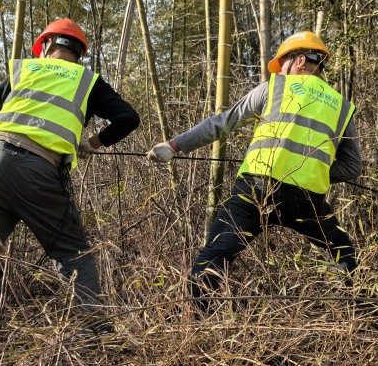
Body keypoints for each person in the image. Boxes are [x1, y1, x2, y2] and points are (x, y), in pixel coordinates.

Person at [0, 18, 140, 343]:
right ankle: (98, 339)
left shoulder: (25, 69)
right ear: (79, 53)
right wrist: (94, 143)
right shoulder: (88, 81)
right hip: (40, 172)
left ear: (46, 45)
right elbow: (128, 118)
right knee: (73, 255)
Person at [146, 31, 361, 310]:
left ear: (298, 60)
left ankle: (191, 319)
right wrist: (313, 168)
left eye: (281, 64)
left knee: (216, 254)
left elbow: (222, 123)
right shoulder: (342, 106)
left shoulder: (275, 87)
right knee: (341, 248)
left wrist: (174, 146)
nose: (279, 71)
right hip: (307, 200)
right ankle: (357, 312)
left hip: (255, 191)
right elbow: (352, 167)